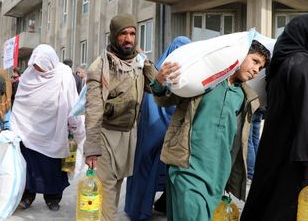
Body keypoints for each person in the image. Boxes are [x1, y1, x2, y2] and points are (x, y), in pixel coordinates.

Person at [152, 40, 270, 220]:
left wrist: (230, 177)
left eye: (261, 67)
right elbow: (166, 99)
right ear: (239, 54)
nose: (256, 70)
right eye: (254, 61)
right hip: (187, 165)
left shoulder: (245, 97)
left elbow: (237, 141)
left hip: (217, 174)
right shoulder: (204, 81)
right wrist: (159, 84)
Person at [241, 14, 308, 221]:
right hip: (295, 154)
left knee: (270, 200)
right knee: (284, 206)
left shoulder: (287, 61)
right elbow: (307, 109)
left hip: (283, 148)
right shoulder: (300, 63)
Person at [83, 13, 157, 220]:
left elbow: (158, 89)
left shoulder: (139, 63)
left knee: (116, 183)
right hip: (106, 134)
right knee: (106, 186)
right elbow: (94, 112)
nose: (128, 39)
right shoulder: (100, 67)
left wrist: (148, 64)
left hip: (129, 133)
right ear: (114, 36)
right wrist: (92, 149)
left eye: (132, 33)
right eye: (123, 34)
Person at [10, 44, 85, 211]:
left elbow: (72, 103)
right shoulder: (29, 75)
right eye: (35, 65)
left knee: (53, 169)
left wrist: (76, 128)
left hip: (55, 132)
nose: (37, 68)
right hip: (28, 132)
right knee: (28, 167)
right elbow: (19, 103)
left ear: (50, 62)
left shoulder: (64, 74)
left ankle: (52, 198)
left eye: (40, 66)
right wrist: (14, 127)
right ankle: (27, 196)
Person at [124, 36, 191, 220]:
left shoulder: (162, 69)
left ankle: (138, 208)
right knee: (158, 167)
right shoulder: (169, 73)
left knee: (145, 167)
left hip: (151, 129)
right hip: (161, 129)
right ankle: (143, 210)